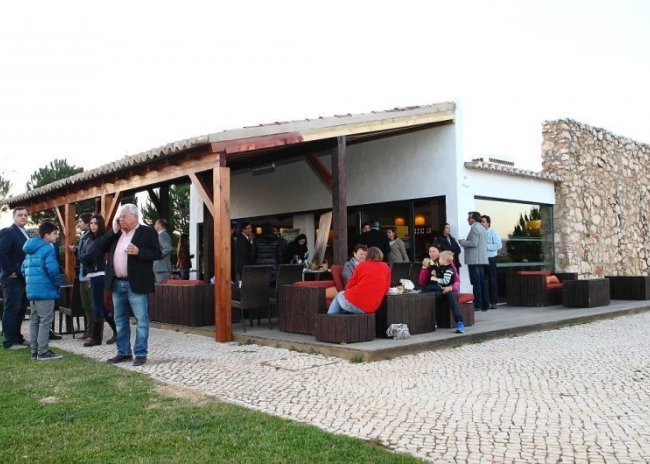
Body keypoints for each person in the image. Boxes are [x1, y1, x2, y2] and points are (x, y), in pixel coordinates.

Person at [100, 204, 161, 366]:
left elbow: (157, 253)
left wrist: (139, 252)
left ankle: (140, 353)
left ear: (135, 217)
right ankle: (123, 352)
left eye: (124, 216)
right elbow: (101, 247)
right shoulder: (116, 234)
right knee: (120, 320)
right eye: (120, 217)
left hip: (136, 284)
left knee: (141, 320)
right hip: (117, 283)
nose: (121, 219)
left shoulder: (147, 232)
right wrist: (113, 231)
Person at [22, 220, 63, 360]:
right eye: (55, 233)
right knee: (45, 321)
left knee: (34, 321)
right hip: (45, 290)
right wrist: (57, 284)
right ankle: (43, 352)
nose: (56, 236)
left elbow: (23, 268)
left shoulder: (30, 248)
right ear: (47, 235)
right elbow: (53, 270)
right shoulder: (48, 248)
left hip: (32, 290)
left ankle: (35, 351)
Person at [79, 214, 117, 346]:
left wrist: (82, 257)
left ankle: (96, 338)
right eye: (91, 223)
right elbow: (84, 255)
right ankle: (116, 331)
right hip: (92, 274)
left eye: (96, 223)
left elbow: (90, 255)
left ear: (100, 225)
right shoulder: (90, 238)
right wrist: (82, 256)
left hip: (99, 274)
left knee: (97, 306)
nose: (93, 226)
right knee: (100, 305)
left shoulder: (101, 239)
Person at [0, 206, 31, 350]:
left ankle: (17, 337)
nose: (23, 217)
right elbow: (1, 252)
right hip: (12, 277)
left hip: (23, 276)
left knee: (21, 308)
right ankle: (10, 341)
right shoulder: (8, 232)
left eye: (25, 215)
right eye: (20, 215)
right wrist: (10, 271)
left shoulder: (25, 233)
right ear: (14, 217)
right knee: (12, 308)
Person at [328, 247, 390, 314]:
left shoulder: (361, 266)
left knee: (339, 295)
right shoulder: (386, 267)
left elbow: (349, 285)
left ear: (367, 255)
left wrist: (348, 292)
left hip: (355, 301)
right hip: (372, 308)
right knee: (343, 304)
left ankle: (329, 318)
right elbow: (386, 290)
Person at [419, 244, 465, 333]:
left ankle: (459, 322)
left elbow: (457, 280)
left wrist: (451, 287)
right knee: (435, 294)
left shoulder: (448, 263)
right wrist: (424, 268)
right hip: (436, 289)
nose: (431, 254)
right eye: (430, 251)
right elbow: (422, 282)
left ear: (440, 252)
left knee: (452, 295)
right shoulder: (429, 263)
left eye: (434, 251)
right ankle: (433, 321)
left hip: (448, 288)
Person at [66, 213, 95, 340]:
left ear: (88, 223)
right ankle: (89, 330)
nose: (78, 224)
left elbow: (90, 256)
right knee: (86, 305)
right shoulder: (83, 237)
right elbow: (82, 257)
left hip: (90, 276)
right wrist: (75, 251)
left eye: (80, 222)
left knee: (93, 305)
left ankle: (96, 332)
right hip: (82, 276)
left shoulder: (92, 237)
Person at [459, 211, 490, 312]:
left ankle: (478, 304)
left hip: (474, 260)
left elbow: (473, 243)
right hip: (481, 260)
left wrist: (462, 242)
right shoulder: (483, 228)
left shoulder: (475, 228)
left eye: (469, 218)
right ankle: (485, 304)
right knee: (481, 283)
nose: (468, 219)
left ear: (474, 219)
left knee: (476, 283)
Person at [481, 215, 503, 309]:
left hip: (490, 258)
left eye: (483, 221)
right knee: (483, 281)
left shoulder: (493, 232)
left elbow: (499, 245)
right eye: (480, 222)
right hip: (481, 259)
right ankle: (485, 301)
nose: (481, 223)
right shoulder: (480, 232)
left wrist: (486, 247)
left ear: (488, 223)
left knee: (492, 280)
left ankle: (494, 301)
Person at [153, 218, 173, 283]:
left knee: (162, 287)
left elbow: (168, 248)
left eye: (155, 223)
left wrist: (158, 256)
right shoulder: (161, 235)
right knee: (160, 287)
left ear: (159, 224)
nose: (154, 225)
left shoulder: (163, 235)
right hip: (160, 268)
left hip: (162, 268)